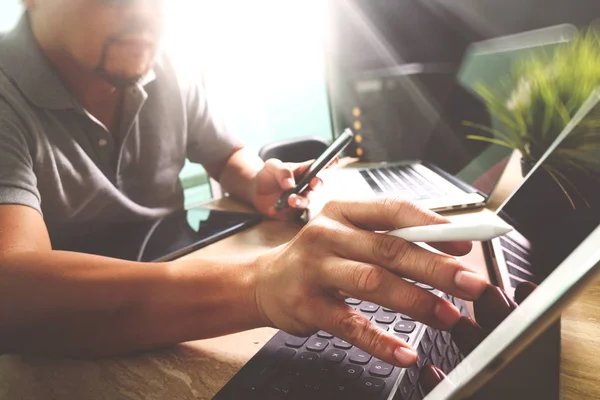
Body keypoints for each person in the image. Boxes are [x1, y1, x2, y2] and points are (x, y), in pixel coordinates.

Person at [0, 0, 488, 368]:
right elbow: (13, 292)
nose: (147, 13)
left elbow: (224, 153)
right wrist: (259, 287)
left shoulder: (166, 64)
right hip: (61, 354)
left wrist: (255, 178)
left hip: (175, 281)